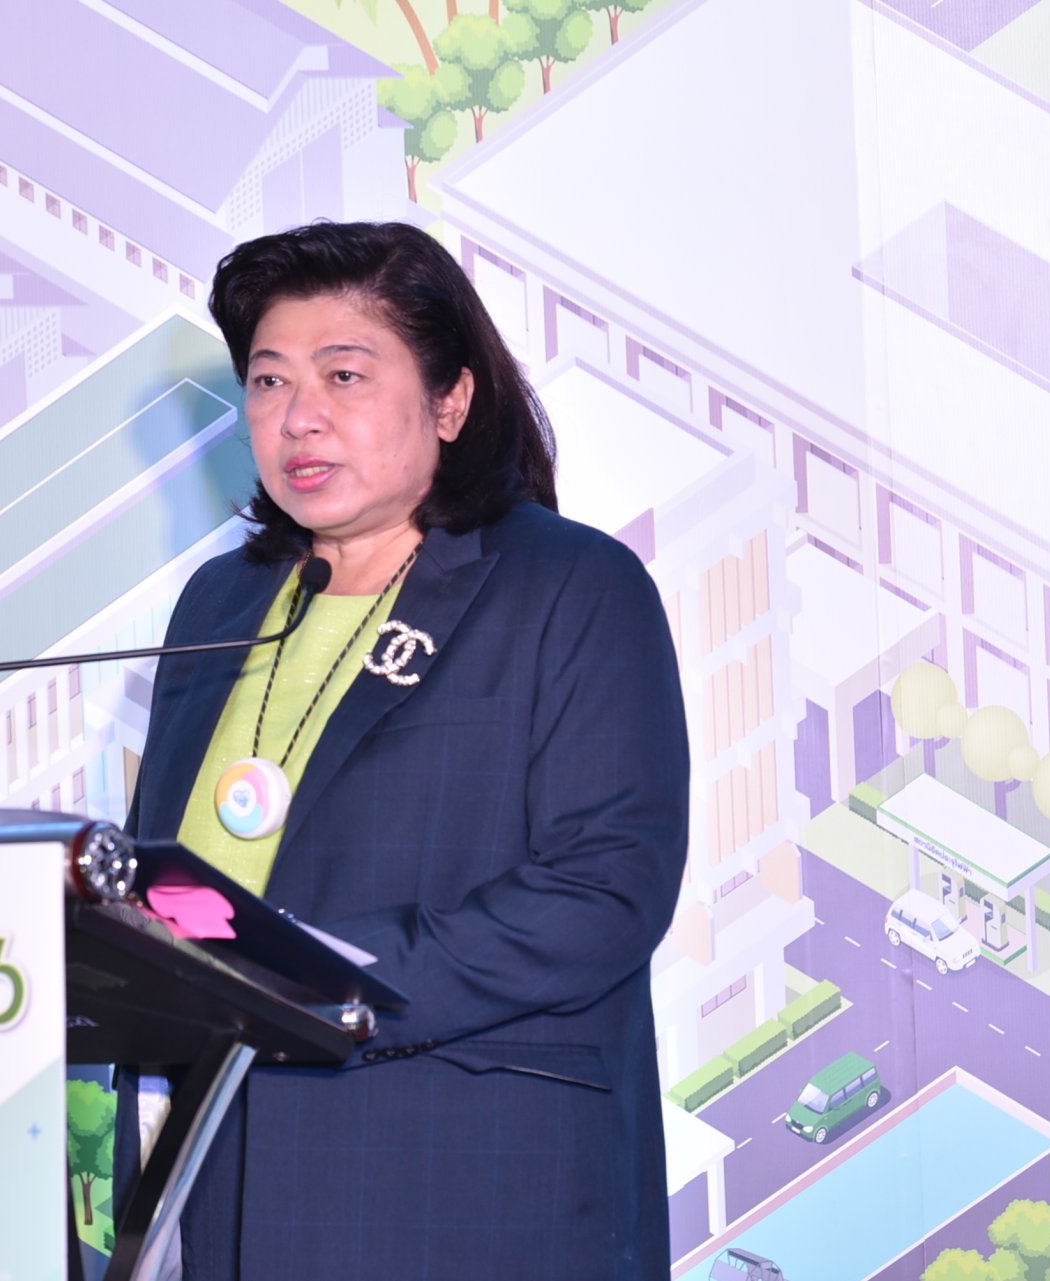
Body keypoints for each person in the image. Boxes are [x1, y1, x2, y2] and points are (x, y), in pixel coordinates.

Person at [125, 221, 689, 1279]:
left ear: (451, 401)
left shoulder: (569, 587)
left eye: (343, 375)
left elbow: (605, 892)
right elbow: (178, 884)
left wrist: (311, 981)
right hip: (223, 1185)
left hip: (457, 1190)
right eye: (268, 381)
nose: (298, 416)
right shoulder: (219, 603)